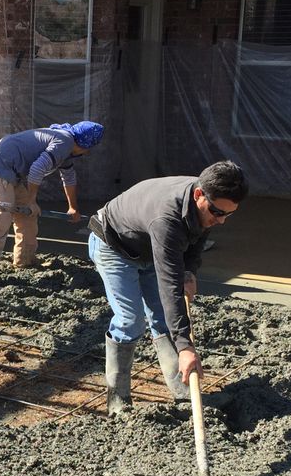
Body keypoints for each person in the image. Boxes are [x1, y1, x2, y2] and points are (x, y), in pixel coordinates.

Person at [89, 161, 248, 415]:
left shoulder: (203, 204)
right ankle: (117, 399)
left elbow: (198, 236)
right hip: (113, 245)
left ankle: (184, 392)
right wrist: (186, 348)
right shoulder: (167, 218)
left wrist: (189, 270)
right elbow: (169, 286)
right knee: (130, 320)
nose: (222, 221)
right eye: (218, 212)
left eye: (228, 214)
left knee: (163, 318)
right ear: (199, 195)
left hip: (147, 246)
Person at [0, 121, 105, 288]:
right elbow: (37, 169)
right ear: (85, 145)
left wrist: (73, 207)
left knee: (28, 217)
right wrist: (32, 201)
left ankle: (24, 260)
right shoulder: (65, 142)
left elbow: (69, 177)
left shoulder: (68, 148)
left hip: (13, 173)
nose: (87, 152)